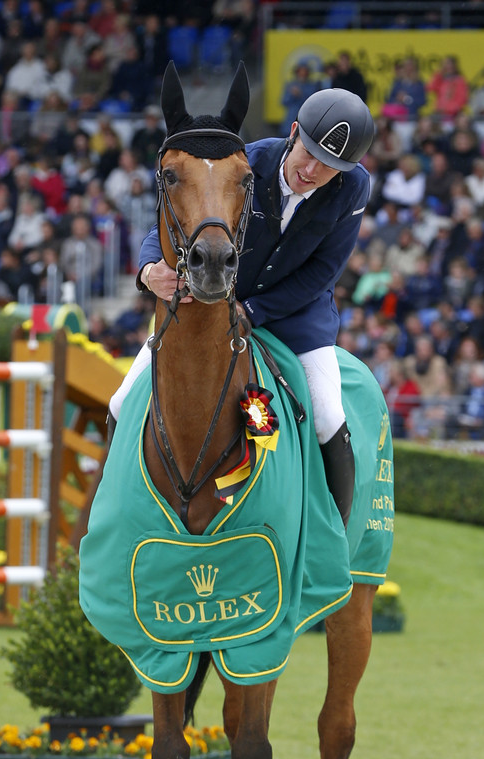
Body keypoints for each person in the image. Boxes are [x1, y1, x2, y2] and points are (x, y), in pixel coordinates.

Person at [108, 88, 375, 527]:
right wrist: (147, 269)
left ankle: (331, 538)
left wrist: (252, 312)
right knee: (121, 403)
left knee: (328, 416)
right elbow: (175, 218)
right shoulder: (243, 163)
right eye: (308, 153)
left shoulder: (353, 189)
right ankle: (119, 519)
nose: (312, 170)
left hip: (296, 315)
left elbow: (322, 273)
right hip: (215, 302)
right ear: (294, 133)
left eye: (330, 166)